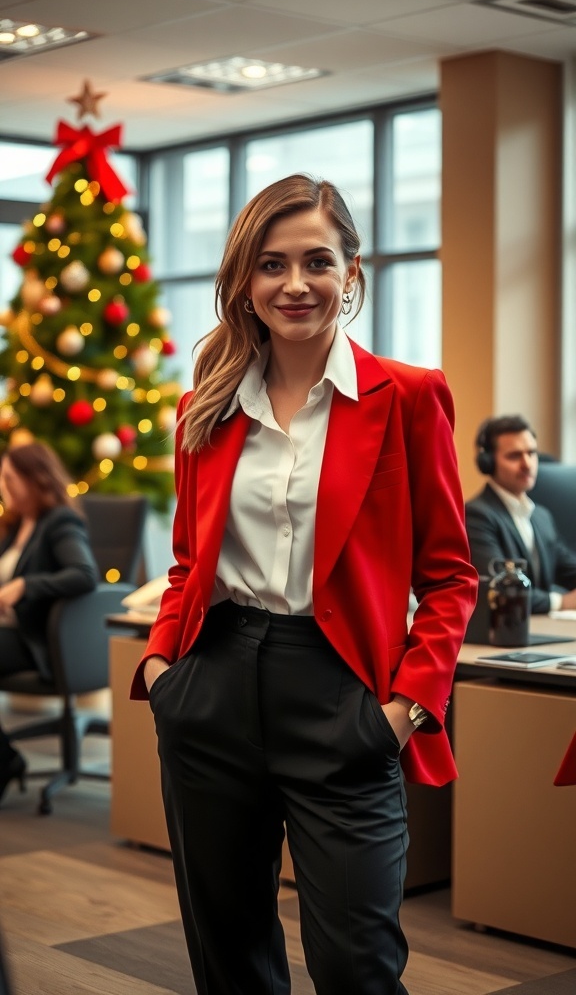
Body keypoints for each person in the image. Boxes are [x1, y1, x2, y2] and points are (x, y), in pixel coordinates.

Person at [130, 173, 477, 995]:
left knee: (357, 964)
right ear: (245, 283)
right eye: (271, 265)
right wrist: (160, 673)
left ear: (351, 273)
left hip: (344, 695)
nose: (295, 284)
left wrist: (403, 711)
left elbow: (451, 577)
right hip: (212, 685)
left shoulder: (409, 397)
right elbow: (187, 563)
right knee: (230, 956)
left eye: (317, 262)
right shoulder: (204, 410)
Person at [0, 442, 99, 804]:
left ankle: (5, 761)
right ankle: (6, 759)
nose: (3, 485)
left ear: (35, 479)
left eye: (10, 478)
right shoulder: (13, 526)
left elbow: (84, 574)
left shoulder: (59, 521)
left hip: (37, 640)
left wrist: (25, 585)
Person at [466, 414, 576, 614]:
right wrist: (563, 602)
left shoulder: (541, 517)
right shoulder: (476, 516)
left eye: (531, 453)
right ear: (488, 462)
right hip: (504, 636)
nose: (527, 463)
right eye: (514, 456)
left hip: (540, 631)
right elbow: (502, 590)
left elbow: (568, 568)